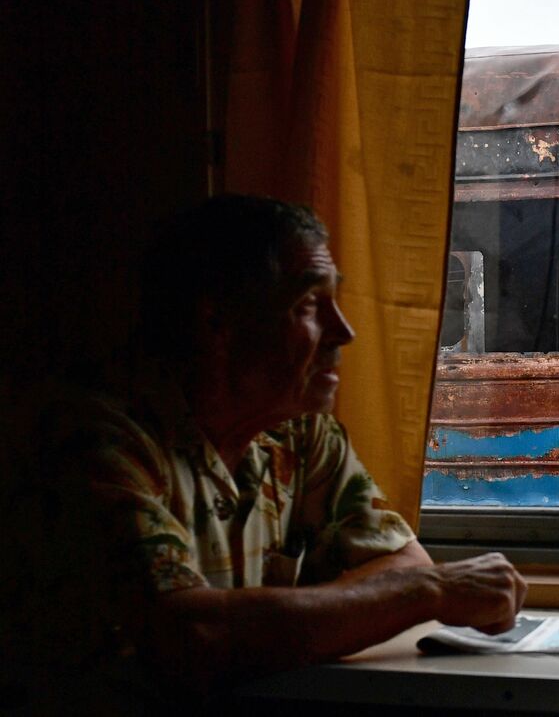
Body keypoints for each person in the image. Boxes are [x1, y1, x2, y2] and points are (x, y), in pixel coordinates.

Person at [39, 195, 527, 707]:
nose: (344, 332)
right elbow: (190, 636)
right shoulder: (96, 441)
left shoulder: (299, 437)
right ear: (217, 324)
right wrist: (427, 594)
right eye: (309, 307)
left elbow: (404, 561)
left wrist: (275, 622)